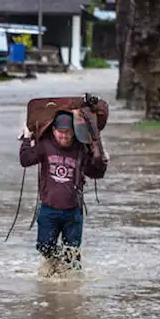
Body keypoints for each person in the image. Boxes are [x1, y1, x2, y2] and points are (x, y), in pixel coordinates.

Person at [19, 111, 108, 270]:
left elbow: (96, 173)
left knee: (72, 256)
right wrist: (26, 137)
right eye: (61, 132)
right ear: (54, 130)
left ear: (74, 132)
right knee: (44, 247)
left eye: (68, 133)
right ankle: (55, 270)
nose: (64, 136)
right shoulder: (45, 145)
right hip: (48, 210)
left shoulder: (81, 149)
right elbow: (26, 160)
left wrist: (101, 158)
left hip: (73, 212)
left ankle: (70, 286)